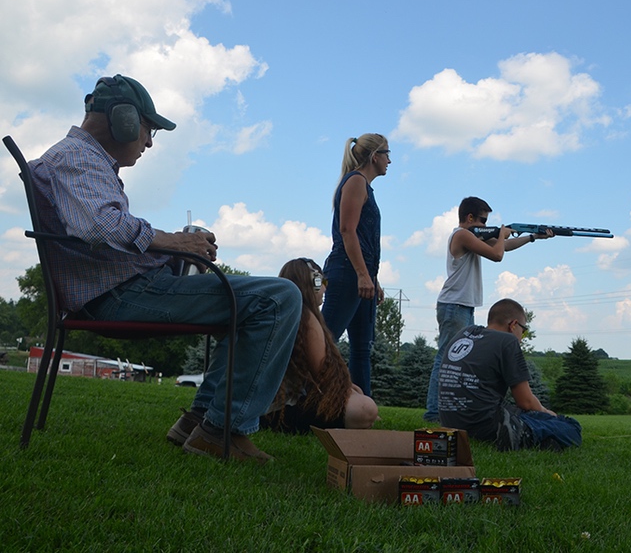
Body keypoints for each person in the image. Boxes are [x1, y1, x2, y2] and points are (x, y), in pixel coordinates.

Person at [29, 74, 300, 464]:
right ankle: (223, 431)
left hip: (122, 289)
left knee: (252, 303)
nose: (150, 142)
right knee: (279, 297)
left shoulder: (82, 160)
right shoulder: (77, 158)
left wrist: (173, 254)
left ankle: (197, 421)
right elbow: (100, 225)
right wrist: (176, 242)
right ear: (122, 118)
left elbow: (100, 228)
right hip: (121, 296)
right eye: (147, 128)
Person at [423, 197, 553, 422]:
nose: (485, 225)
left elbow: (504, 247)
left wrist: (532, 237)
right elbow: (497, 255)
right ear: (470, 217)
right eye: (483, 220)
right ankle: (435, 412)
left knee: (453, 359)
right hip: (455, 305)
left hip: (462, 305)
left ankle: (443, 411)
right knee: (446, 359)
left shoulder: (471, 237)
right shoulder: (462, 234)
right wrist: (501, 235)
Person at [438, 298, 582, 451]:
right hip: (483, 425)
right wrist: (549, 413)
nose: (521, 337)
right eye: (523, 331)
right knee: (571, 427)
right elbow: (525, 402)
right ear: (513, 325)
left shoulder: (464, 333)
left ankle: (533, 437)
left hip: (451, 423)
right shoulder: (507, 341)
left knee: (529, 416)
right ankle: (520, 434)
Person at [261, 258, 378, 432]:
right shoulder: (306, 318)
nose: (324, 288)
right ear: (309, 284)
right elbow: (325, 377)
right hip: (279, 412)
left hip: (267, 408)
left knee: (357, 396)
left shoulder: (285, 314)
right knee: (363, 409)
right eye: (320, 281)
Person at [321, 133, 390, 396]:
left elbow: (362, 238)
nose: (389, 161)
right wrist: (362, 275)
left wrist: (373, 278)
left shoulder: (364, 185)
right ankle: (299, 399)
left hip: (361, 275)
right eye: (387, 154)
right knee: (326, 341)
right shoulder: (355, 181)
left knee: (362, 347)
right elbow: (347, 231)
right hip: (346, 273)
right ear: (375, 156)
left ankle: (364, 406)